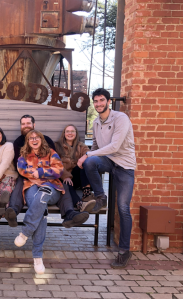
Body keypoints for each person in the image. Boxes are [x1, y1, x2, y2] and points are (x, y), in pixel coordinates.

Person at [77, 88, 136, 269]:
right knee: (89, 163)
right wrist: (86, 155)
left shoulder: (121, 118)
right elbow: (94, 146)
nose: (98, 104)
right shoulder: (95, 122)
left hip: (124, 165)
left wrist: (88, 155)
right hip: (109, 162)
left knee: (123, 208)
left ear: (108, 102)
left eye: (102, 100)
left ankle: (124, 252)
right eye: (96, 101)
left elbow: (114, 146)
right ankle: (101, 196)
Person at [14, 130, 64, 274]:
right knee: (40, 211)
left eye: (37, 138)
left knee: (43, 194)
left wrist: (40, 173)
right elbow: (22, 170)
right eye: (31, 138)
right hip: (31, 186)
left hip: (51, 187)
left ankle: (25, 233)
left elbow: (59, 169)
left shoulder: (51, 153)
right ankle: (37, 257)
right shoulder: (23, 156)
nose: (34, 140)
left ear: (41, 139)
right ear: (28, 141)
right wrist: (40, 173)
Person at [4, 115, 56, 227]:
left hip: (46, 177)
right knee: (20, 185)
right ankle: (12, 212)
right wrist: (31, 175)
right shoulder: (18, 142)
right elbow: (19, 165)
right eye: (23, 124)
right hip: (26, 175)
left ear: (34, 125)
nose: (26, 126)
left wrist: (41, 173)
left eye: (28, 123)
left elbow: (54, 163)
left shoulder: (47, 140)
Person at [55, 124, 96, 212]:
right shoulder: (57, 146)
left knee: (86, 163)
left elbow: (89, 154)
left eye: (72, 131)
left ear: (76, 133)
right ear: (64, 133)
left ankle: (86, 194)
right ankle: (79, 204)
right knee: (67, 184)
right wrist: (66, 176)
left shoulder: (81, 146)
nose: (70, 133)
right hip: (63, 177)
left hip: (77, 177)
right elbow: (55, 164)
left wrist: (83, 158)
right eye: (68, 131)